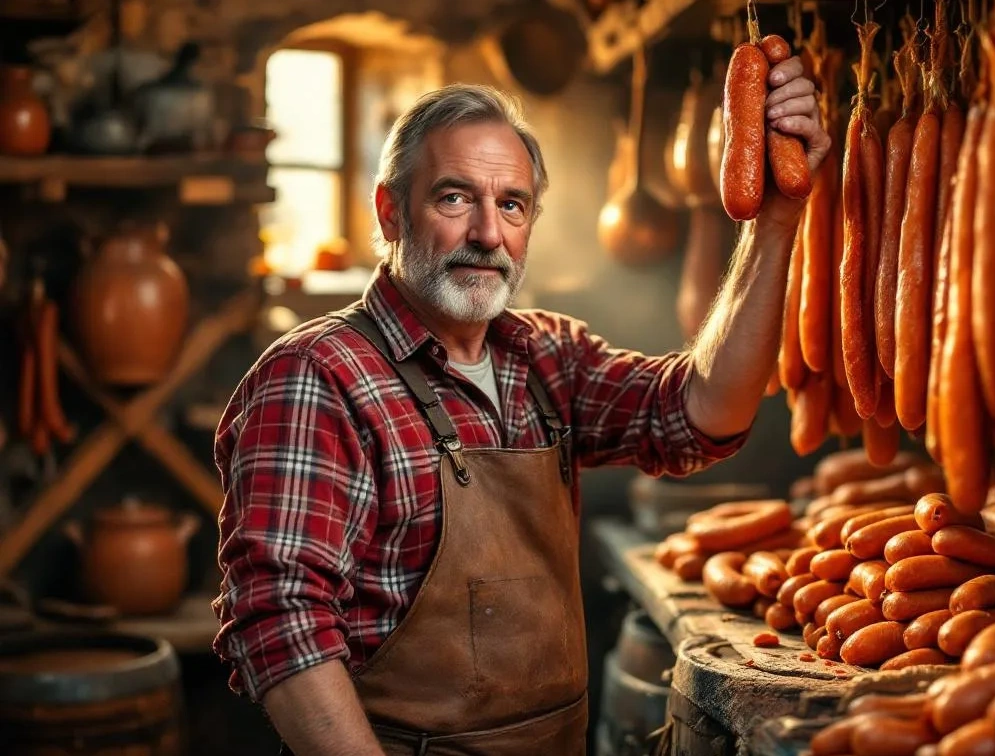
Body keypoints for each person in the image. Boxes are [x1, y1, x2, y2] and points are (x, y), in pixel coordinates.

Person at [212, 55, 830, 756]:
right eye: (453, 198)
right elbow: (279, 624)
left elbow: (698, 413)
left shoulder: (546, 357)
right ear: (390, 211)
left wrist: (776, 222)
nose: (487, 233)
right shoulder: (317, 377)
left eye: (511, 204)